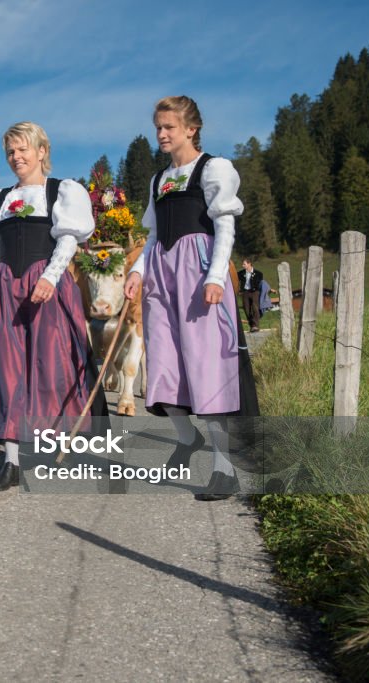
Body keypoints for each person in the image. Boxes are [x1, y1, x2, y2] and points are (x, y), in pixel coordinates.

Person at [0, 121, 109, 492]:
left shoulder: (61, 191)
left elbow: (67, 241)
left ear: (41, 151)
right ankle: (11, 462)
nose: (16, 157)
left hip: (47, 286)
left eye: (23, 149)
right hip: (5, 290)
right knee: (4, 371)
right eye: (10, 151)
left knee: (54, 368)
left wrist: (50, 277)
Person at [124, 96, 259, 501]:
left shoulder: (213, 168)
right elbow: (151, 236)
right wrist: (136, 271)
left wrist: (217, 275)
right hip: (161, 274)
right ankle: (187, 437)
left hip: (197, 271)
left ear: (190, 129)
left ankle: (224, 469)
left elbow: (225, 227)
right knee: (163, 364)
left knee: (206, 366)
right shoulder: (158, 179)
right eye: (158, 127)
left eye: (169, 127)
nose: (162, 134)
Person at [237, 258, 264, 332]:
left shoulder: (258, 274)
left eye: (244, 264)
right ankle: (252, 325)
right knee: (246, 309)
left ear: (249, 264)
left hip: (254, 292)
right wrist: (239, 290)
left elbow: (260, 283)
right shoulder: (240, 273)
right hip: (245, 292)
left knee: (255, 308)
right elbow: (236, 281)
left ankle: (256, 325)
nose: (242, 265)